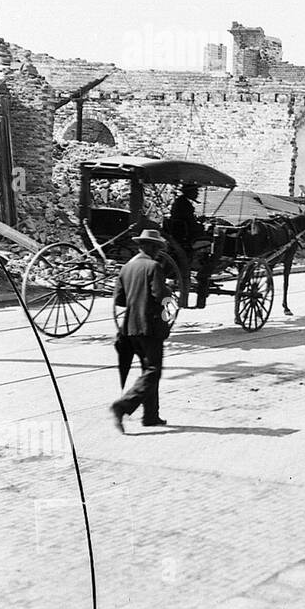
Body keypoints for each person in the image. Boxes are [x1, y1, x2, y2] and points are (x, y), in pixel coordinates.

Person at [111, 229, 172, 433]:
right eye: (156, 248)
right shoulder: (153, 266)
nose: (157, 252)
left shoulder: (126, 268)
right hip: (150, 327)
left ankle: (151, 416)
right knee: (153, 371)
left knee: (148, 370)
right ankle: (123, 406)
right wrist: (169, 294)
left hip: (129, 328)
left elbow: (120, 300)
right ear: (151, 247)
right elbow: (160, 295)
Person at [166, 181, 210, 306]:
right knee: (211, 239)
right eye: (195, 191)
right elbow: (191, 224)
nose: (197, 193)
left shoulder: (180, 202)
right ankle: (205, 265)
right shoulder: (185, 204)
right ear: (189, 192)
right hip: (185, 236)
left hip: (177, 234)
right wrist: (202, 227)